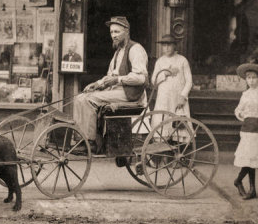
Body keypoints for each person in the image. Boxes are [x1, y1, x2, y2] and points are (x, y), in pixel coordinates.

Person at [73, 16, 148, 151]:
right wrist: (96, 84)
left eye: (117, 32)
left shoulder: (135, 49)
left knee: (89, 100)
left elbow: (141, 78)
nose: (113, 36)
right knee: (80, 98)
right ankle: (81, 139)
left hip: (130, 94)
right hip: (117, 91)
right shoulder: (118, 52)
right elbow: (110, 76)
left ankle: (90, 142)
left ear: (126, 31)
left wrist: (118, 79)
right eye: (112, 32)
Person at [150, 34, 192, 141]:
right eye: (164, 45)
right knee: (162, 122)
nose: (167, 48)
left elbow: (189, 81)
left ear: (174, 46)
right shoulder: (160, 61)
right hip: (163, 99)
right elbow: (153, 81)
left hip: (178, 98)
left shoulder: (182, 60)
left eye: (169, 45)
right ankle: (163, 152)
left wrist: (183, 96)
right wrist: (166, 73)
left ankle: (177, 151)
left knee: (178, 124)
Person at [233, 63, 258, 200]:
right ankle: (241, 183)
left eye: (254, 78)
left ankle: (250, 187)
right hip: (248, 129)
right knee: (249, 159)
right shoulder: (245, 94)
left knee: (253, 159)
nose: (251, 80)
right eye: (249, 78)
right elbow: (238, 110)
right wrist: (241, 115)